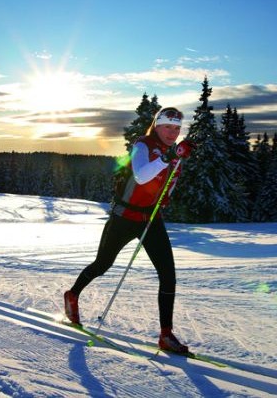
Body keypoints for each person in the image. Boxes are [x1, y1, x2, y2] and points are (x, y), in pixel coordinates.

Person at [64, 107, 194, 353]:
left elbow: (168, 183)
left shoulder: (173, 152)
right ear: (157, 125)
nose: (172, 133)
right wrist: (169, 157)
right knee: (103, 264)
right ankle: (72, 294)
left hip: (150, 218)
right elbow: (142, 176)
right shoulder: (143, 145)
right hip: (124, 216)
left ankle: (166, 334)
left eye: (177, 129)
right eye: (168, 127)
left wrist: (166, 191)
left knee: (168, 273)